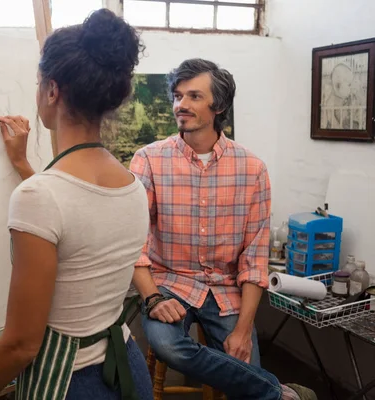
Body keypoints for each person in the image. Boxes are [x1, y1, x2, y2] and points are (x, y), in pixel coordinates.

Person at [0, 9, 153, 400]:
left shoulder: (39, 198)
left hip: (72, 382)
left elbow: (20, 346)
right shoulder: (132, 185)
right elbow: (78, 217)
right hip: (127, 367)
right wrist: (24, 165)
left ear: (51, 91)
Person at [130, 58, 317, 400]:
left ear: (220, 106)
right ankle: (282, 394)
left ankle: (266, 389)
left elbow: (255, 256)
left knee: (243, 367)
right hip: (170, 284)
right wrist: (152, 297)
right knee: (170, 348)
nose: (181, 105)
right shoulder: (148, 160)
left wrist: (244, 330)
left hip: (227, 290)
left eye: (194, 96)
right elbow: (132, 243)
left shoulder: (252, 169)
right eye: (177, 96)